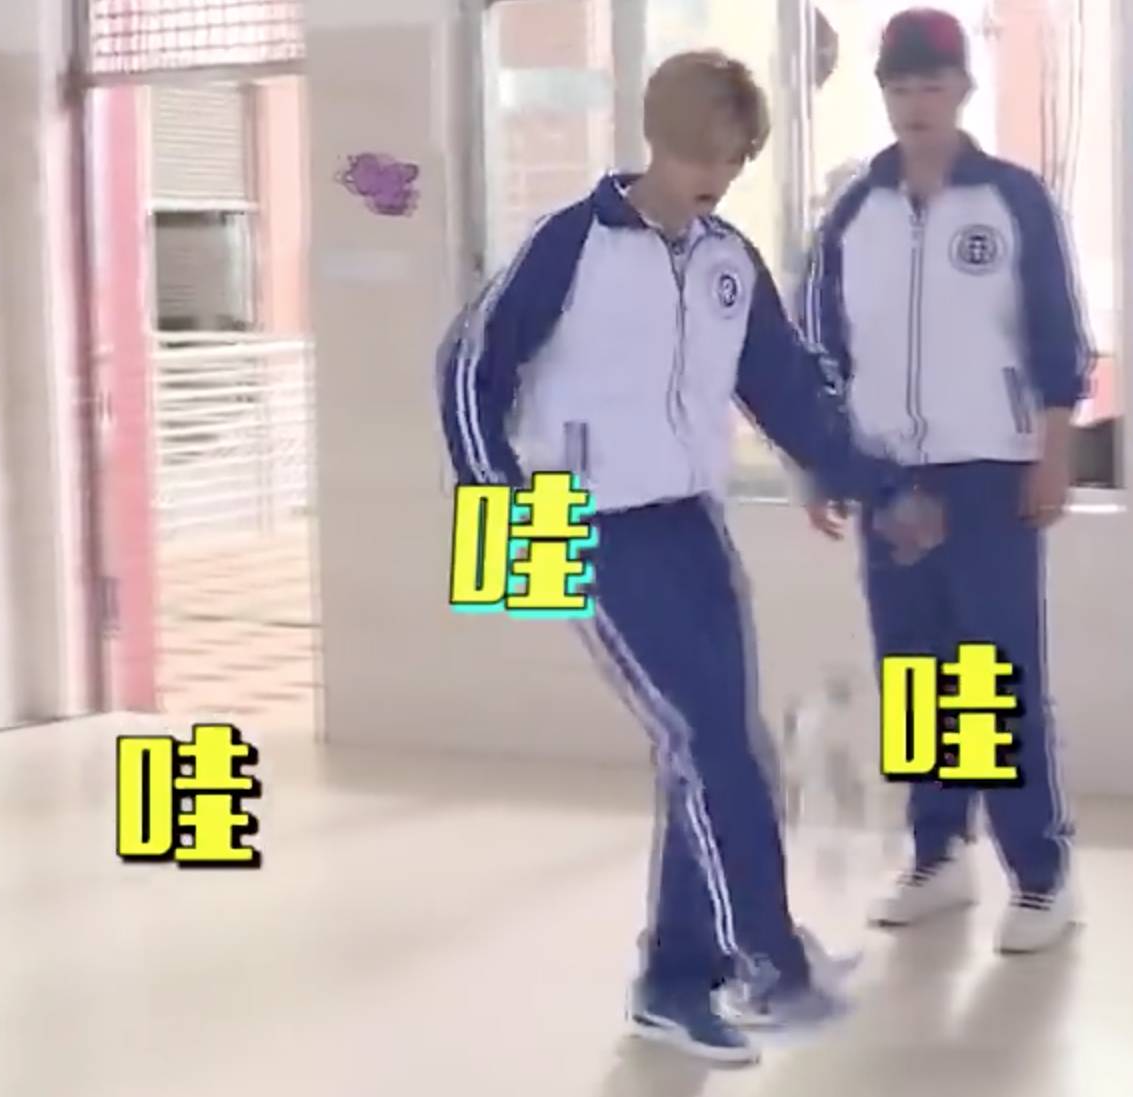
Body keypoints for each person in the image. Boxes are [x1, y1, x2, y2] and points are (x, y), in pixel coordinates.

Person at [436, 50, 942, 1064]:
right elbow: (469, 367)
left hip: (690, 524)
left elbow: (789, 394)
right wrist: (504, 506)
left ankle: (675, 980)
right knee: (711, 743)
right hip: (578, 522)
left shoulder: (726, 262)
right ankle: (767, 964)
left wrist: (882, 486)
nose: (714, 177)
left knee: (715, 749)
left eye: (732, 159)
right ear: (657, 141)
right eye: (699, 155)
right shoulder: (571, 244)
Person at [797, 8, 1090, 955]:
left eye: (932, 85)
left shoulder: (1011, 200)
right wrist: (823, 460)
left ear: (963, 89)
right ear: (882, 95)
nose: (916, 104)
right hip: (889, 475)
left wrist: (1052, 448)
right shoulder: (852, 211)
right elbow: (821, 351)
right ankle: (939, 853)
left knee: (995, 672)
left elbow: (1055, 334)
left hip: (989, 470)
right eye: (899, 88)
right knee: (916, 665)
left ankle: (1040, 874)